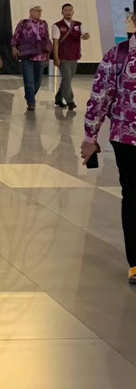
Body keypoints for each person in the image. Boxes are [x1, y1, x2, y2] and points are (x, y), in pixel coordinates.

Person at [81, 32, 136, 284]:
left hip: (126, 138)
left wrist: (90, 137)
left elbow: (100, 97)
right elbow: (100, 96)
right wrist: (90, 137)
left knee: (133, 198)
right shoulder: (119, 54)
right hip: (127, 139)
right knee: (133, 197)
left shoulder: (118, 54)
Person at [12, 5, 52, 111]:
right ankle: (31, 102)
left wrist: (48, 53)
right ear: (31, 11)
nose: (39, 12)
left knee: (38, 80)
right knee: (29, 79)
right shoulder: (23, 23)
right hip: (27, 55)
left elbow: (46, 38)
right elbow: (16, 35)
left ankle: (29, 95)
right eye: (37, 10)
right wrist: (14, 47)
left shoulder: (44, 23)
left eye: (40, 11)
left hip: (40, 55)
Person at [52, 3, 91, 110]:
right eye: (66, 10)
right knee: (67, 79)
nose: (68, 12)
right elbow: (55, 43)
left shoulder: (78, 24)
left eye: (70, 10)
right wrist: (56, 57)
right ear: (62, 12)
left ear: (73, 12)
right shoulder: (57, 26)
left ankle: (59, 97)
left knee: (67, 79)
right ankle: (70, 101)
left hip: (74, 56)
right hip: (63, 57)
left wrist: (86, 36)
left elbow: (85, 34)